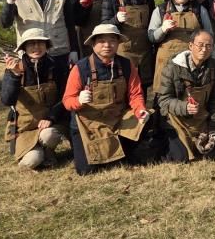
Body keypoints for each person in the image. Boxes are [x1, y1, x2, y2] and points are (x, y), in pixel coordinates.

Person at [63, 24, 150, 175]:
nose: (107, 45)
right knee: (85, 170)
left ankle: (123, 151)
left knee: (147, 118)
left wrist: (140, 110)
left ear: (118, 43)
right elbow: (67, 100)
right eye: (102, 41)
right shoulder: (80, 68)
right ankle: (114, 154)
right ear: (93, 44)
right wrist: (78, 100)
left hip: (117, 119)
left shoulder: (126, 65)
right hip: (88, 125)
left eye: (112, 41)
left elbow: (135, 94)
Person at [1, 29, 67, 169]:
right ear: (24, 47)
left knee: (50, 135)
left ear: (46, 46)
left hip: (51, 124)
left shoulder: (57, 66)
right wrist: (14, 76)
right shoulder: (15, 67)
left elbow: (64, 97)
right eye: (31, 43)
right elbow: (7, 100)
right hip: (25, 128)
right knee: (31, 162)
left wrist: (51, 117)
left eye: (40, 43)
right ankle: (38, 153)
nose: (36, 47)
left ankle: (48, 151)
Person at [157, 29, 215, 163]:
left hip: (201, 120)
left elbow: (214, 101)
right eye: (200, 45)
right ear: (191, 45)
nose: (204, 49)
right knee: (180, 158)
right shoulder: (172, 67)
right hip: (176, 120)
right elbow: (163, 100)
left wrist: (214, 127)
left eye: (208, 46)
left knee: (213, 154)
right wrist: (184, 107)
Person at [148, 0, 213, 101]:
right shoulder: (160, 10)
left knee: (189, 97)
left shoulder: (200, 10)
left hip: (191, 61)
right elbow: (151, 37)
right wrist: (162, 29)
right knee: (163, 97)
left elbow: (209, 35)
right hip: (166, 61)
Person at [101, 0, 156, 90]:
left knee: (143, 86)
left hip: (144, 51)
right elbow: (104, 26)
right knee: (124, 85)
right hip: (123, 52)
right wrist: (116, 20)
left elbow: (152, 23)